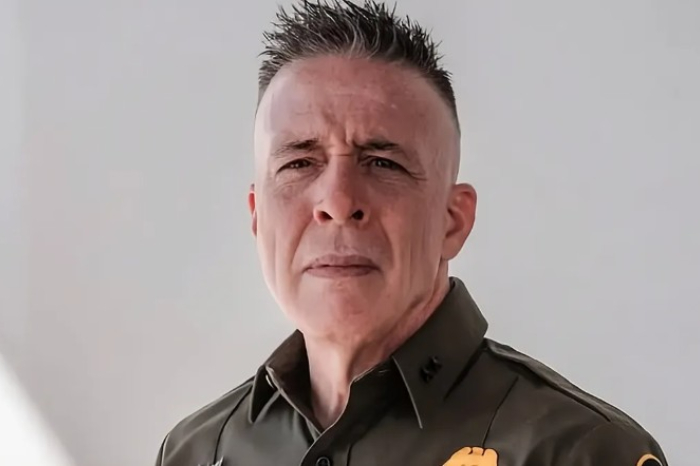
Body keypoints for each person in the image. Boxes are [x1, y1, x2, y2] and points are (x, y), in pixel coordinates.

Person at [155, 1, 667, 465]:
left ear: (453, 220)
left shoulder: (580, 453)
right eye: (299, 163)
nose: (337, 202)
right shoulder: (195, 452)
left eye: (382, 163)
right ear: (256, 217)